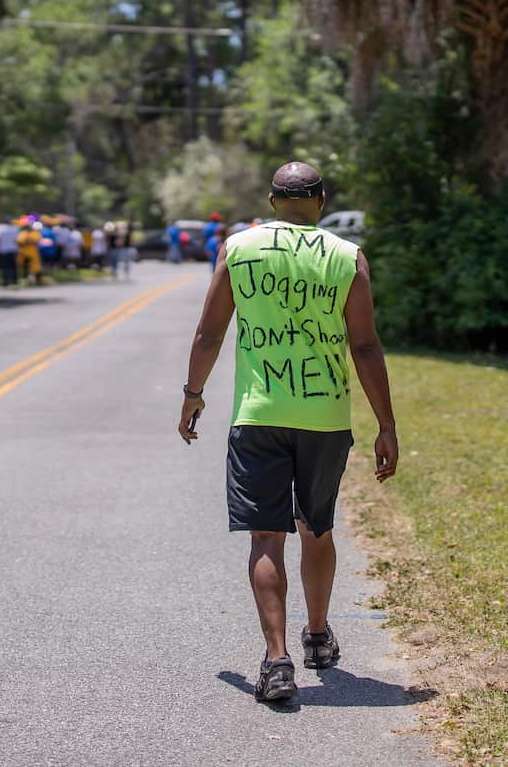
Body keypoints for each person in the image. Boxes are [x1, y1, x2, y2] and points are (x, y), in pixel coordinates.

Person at [176, 161, 398, 703]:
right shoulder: (348, 258)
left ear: (273, 201)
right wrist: (386, 424)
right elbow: (365, 345)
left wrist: (192, 394)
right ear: (320, 200)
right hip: (325, 419)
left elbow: (210, 331)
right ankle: (318, 636)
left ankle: (277, 661)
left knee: (266, 536)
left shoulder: (238, 249)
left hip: (259, 415)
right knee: (316, 528)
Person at [0, 220, 20, 287]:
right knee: (13, 266)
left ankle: (5, 281)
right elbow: (18, 239)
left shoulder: (0, 229)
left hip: (3, 250)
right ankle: (15, 281)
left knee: (5, 267)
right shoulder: (15, 229)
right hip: (13, 250)